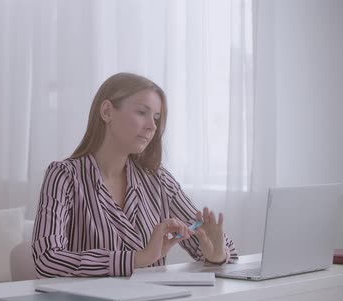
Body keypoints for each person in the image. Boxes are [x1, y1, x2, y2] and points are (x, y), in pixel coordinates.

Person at [32, 72, 237, 278]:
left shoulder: (159, 180)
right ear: (107, 111)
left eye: (156, 118)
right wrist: (138, 258)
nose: (152, 126)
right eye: (142, 113)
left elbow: (208, 243)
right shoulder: (64, 176)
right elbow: (47, 259)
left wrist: (217, 254)